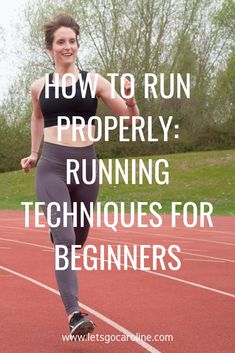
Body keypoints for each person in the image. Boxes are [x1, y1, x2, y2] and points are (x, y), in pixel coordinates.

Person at [20, 13, 139, 339]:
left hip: (86, 167)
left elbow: (130, 120)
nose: (67, 46)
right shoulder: (39, 87)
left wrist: (130, 98)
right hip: (52, 167)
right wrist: (34, 153)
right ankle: (74, 314)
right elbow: (37, 119)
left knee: (79, 238)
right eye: (61, 41)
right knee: (66, 240)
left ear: (77, 44)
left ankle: (62, 236)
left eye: (72, 41)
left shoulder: (95, 82)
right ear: (50, 48)